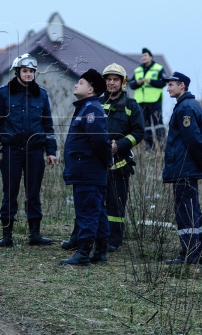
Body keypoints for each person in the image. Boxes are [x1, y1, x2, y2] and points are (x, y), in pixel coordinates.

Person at [61, 64, 145, 256]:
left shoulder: (131, 106)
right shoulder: (96, 103)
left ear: (122, 82)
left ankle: (112, 240)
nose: (111, 83)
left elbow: (139, 133)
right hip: (96, 161)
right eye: (108, 79)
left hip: (119, 162)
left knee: (114, 203)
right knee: (90, 203)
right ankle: (80, 237)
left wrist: (120, 145)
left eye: (115, 79)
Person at [0, 53, 57, 247]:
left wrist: (51, 151)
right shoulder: (3, 93)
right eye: (25, 71)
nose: (28, 74)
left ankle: (35, 234)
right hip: (12, 150)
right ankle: (7, 236)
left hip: (35, 151)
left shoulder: (42, 94)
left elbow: (48, 125)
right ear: (17, 72)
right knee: (10, 192)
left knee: (33, 193)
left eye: (32, 71)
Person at [60, 69, 112, 266]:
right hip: (88, 171)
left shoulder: (91, 109)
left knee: (87, 212)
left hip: (87, 171)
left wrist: (107, 160)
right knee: (97, 211)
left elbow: (99, 141)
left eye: (80, 82)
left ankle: (83, 253)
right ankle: (100, 252)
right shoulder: (87, 108)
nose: (76, 85)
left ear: (90, 89)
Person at [162, 71, 202, 265]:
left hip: (184, 168)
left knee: (185, 212)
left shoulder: (185, 108)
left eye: (171, 84)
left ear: (182, 85)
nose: (168, 88)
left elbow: (194, 140)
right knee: (192, 209)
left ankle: (189, 255)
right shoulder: (188, 105)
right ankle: (196, 252)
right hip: (188, 168)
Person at [129, 48, 167, 149]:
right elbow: (131, 85)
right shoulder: (138, 70)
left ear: (151, 57)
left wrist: (151, 81)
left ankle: (162, 145)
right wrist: (137, 83)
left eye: (145, 55)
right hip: (141, 101)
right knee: (145, 124)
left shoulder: (158, 68)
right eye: (142, 56)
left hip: (155, 99)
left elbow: (163, 82)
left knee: (158, 122)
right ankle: (149, 146)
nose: (143, 58)